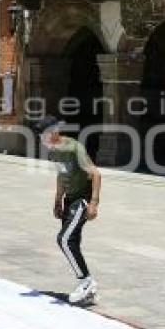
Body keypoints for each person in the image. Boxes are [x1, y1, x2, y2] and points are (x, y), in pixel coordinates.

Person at [35, 116, 102, 306]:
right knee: (71, 241)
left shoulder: (74, 148)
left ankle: (87, 282)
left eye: (43, 136)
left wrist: (94, 203)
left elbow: (96, 174)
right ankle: (88, 289)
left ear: (54, 133)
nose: (42, 140)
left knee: (64, 239)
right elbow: (61, 175)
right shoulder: (53, 152)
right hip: (69, 200)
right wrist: (57, 201)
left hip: (82, 199)